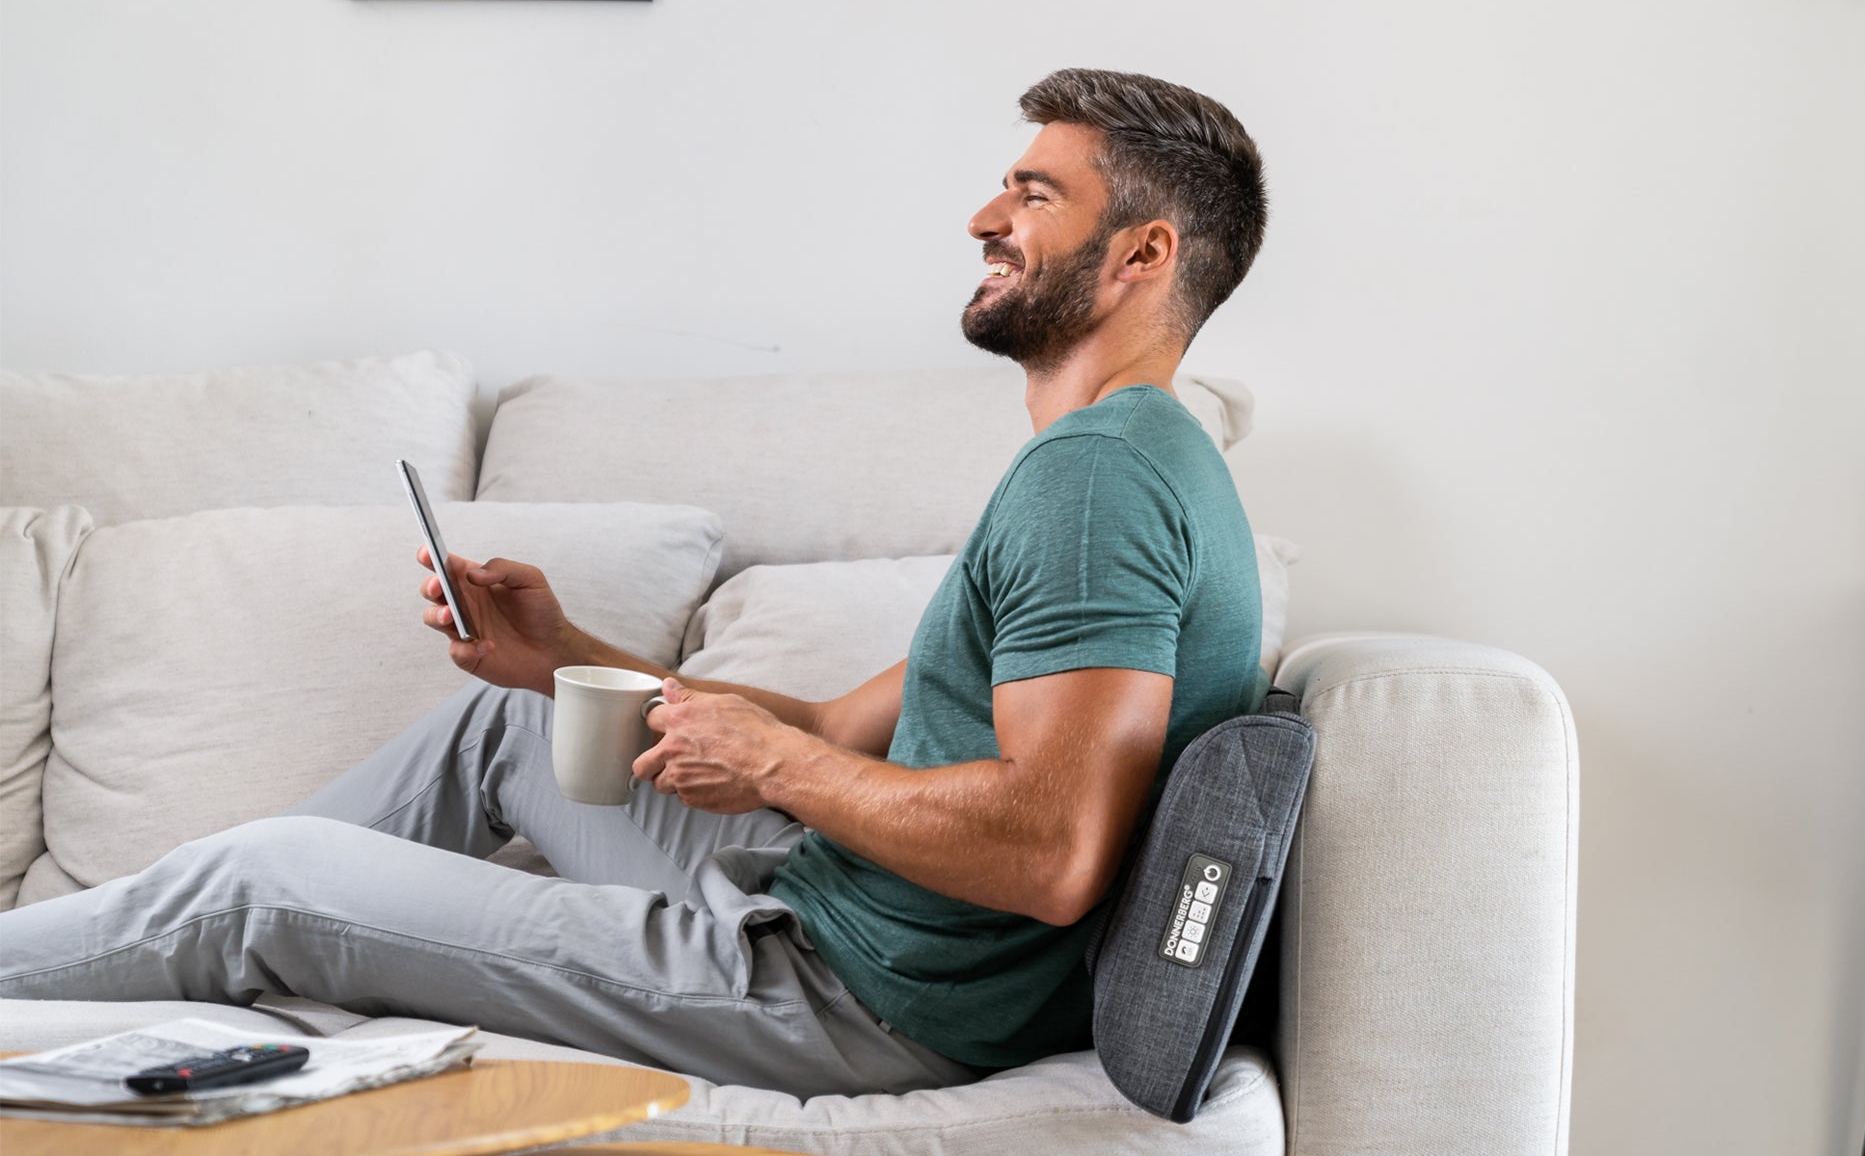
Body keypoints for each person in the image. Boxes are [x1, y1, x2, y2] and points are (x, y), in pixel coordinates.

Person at [0, 68, 1271, 1097]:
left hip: (860, 998)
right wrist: (563, 657)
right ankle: (126, 936)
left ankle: (130, 939)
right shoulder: (1124, 458)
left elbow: (1049, 854)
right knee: (513, 721)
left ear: (1140, 253)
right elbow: (835, 730)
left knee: (262, 887)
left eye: (1034, 195)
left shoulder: (1097, 480)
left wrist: (773, 773)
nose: (986, 220)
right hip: (835, 901)